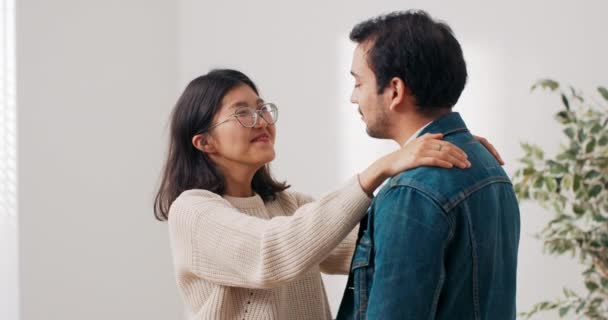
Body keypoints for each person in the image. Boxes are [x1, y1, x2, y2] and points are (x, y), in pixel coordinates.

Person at [336, 10, 520, 320]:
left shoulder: (411, 192)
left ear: (394, 90)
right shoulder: (488, 165)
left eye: (358, 83)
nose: (354, 98)